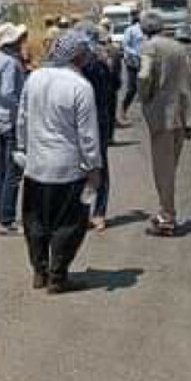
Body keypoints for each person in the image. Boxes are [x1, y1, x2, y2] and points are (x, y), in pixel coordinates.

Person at [16, 32, 103, 294]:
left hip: (36, 166)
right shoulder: (80, 86)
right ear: (78, 55)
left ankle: (39, 271)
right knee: (69, 224)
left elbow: (22, 117)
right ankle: (58, 276)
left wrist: (22, 149)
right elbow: (88, 135)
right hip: (68, 170)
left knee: (36, 223)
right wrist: (94, 167)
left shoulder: (35, 77)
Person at [138, 11, 191, 236]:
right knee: (170, 168)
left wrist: (145, 97)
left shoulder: (150, 47)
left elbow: (143, 76)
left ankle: (167, 218)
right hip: (180, 115)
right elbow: (189, 82)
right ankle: (165, 211)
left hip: (162, 116)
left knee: (163, 170)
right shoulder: (178, 48)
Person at [75, 22, 120, 232]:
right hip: (95, 119)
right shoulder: (98, 60)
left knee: (93, 166)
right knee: (91, 165)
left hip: (94, 120)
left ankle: (96, 212)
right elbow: (116, 86)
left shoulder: (92, 63)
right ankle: (92, 213)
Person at [0, 23, 29, 236]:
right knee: (13, 172)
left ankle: (0, 212)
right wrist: (25, 108)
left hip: (0, 120)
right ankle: (7, 218)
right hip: (11, 121)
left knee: (2, 170)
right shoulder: (10, 63)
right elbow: (8, 93)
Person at [118, 12, 145, 125]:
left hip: (146, 61)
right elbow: (125, 45)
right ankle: (123, 110)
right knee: (132, 88)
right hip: (133, 62)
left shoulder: (147, 31)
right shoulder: (131, 30)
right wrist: (135, 53)